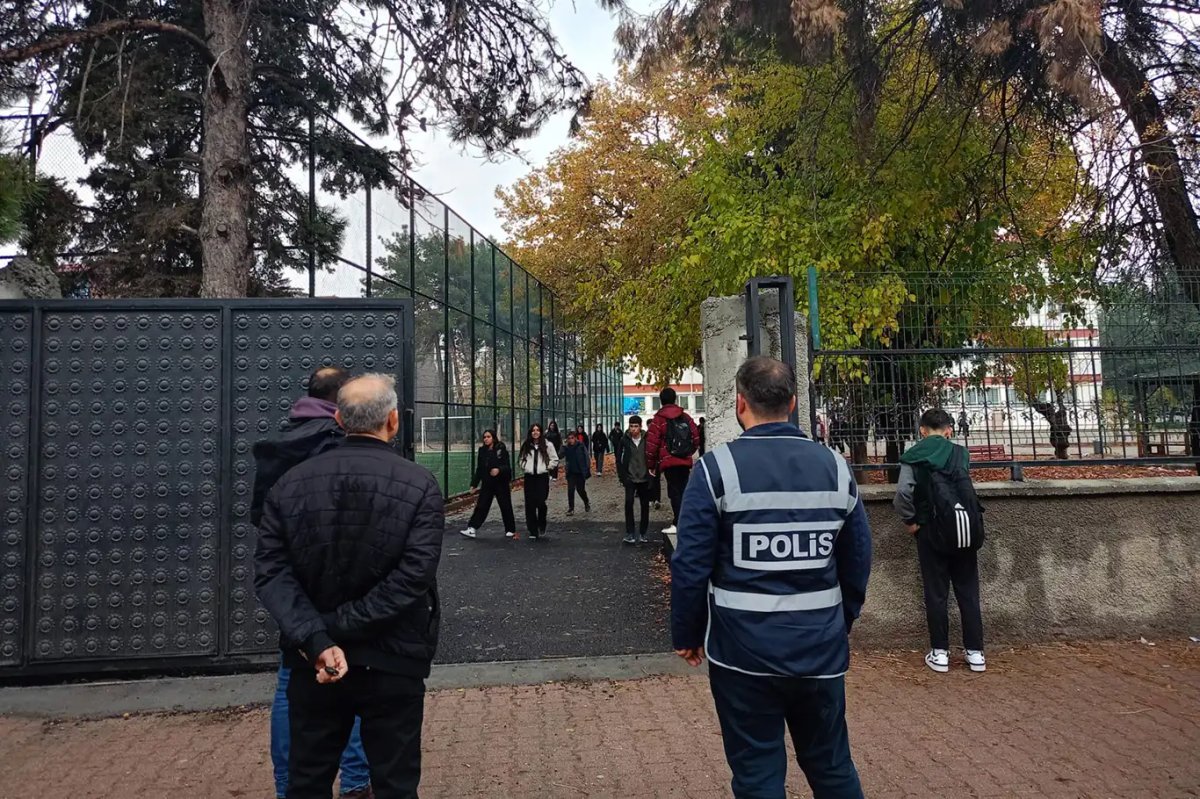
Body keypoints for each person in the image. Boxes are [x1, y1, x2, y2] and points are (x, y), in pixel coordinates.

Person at [671, 356, 872, 799]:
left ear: (740, 403)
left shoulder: (714, 470)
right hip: (819, 651)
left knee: (757, 773)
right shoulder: (836, 467)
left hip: (743, 656)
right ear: (794, 402)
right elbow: (858, 557)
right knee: (832, 765)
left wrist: (687, 633)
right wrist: (843, 621)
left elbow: (690, 564)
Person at [254, 373, 444, 799]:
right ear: (393, 421)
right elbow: (413, 577)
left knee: (308, 780)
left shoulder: (289, 485)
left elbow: (271, 572)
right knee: (395, 782)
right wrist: (343, 625)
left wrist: (319, 637)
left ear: (338, 419)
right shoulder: (419, 485)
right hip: (393, 659)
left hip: (315, 662)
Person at [250, 366, 372, 799]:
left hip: (295, 586)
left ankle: (288, 784)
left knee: (290, 681)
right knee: (352, 671)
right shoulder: (339, 443)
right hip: (343, 580)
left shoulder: (281, 444)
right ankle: (357, 781)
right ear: (341, 402)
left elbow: (260, 518)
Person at [893, 408, 986, 674]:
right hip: (965, 530)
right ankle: (975, 653)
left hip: (931, 530)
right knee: (968, 591)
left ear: (921, 431)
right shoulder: (961, 453)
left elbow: (902, 494)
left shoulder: (914, 456)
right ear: (949, 431)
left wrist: (911, 522)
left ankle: (940, 653)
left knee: (936, 593)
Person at [646, 387, 700, 536]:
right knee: (683, 490)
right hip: (684, 460)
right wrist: (688, 452)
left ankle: (679, 523)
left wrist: (651, 464)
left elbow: (652, 444)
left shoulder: (659, 419)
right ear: (675, 399)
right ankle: (686, 521)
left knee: (674, 492)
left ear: (661, 400)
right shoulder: (685, 417)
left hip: (668, 461)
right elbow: (695, 437)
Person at [460, 429, 517, 540]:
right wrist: (474, 484)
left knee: (505, 505)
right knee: (482, 505)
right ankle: (472, 528)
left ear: (493, 438)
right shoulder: (482, 451)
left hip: (501, 482)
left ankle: (510, 529)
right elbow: (480, 469)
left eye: (488, 437)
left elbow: (507, 467)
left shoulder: (501, 449)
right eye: (484, 437)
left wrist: (498, 470)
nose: (486, 439)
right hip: (487, 483)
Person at [616, 415, 653, 544]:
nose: (633, 429)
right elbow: (619, 459)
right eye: (631, 426)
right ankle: (630, 532)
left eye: (636, 426)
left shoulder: (647, 439)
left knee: (644, 506)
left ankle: (643, 533)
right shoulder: (624, 440)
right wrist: (623, 477)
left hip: (644, 477)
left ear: (640, 426)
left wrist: (652, 473)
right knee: (628, 503)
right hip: (630, 478)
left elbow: (653, 455)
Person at [519, 423, 559, 539]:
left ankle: (542, 523)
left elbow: (554, 459)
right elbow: (521, 459)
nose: (535, 432)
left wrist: (547, 467)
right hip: (530, 477)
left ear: (541, 432)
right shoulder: (527, 445)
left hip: (542, 477)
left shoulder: (547, 445)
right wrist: (525, 467)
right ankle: (533, 530)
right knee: (530, 504)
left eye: (537, 430)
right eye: (533, 430)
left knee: (541, 501)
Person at [563, 431, 592, 515]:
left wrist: (586, 469)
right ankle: (571, 508)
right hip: (571, 472)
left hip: (580, 472)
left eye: (572, 438)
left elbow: (587, 458)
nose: (570, 440)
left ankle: (586, 502)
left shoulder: (581, 446)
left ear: (575, 438)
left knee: (580, 490)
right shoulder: (566, 447)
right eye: (569, 438)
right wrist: (563, 446)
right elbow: (560, 455)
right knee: (570, 490)